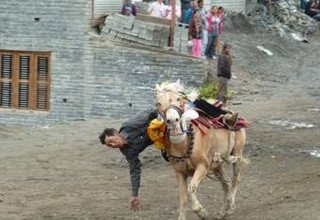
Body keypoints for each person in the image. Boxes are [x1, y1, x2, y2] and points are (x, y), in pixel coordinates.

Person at [99, 109, 159, 211]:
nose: (113, 145)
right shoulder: (127, 151)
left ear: (115, 133)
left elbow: (150, 113)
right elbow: (134, 169)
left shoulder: (130, 125)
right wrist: (134, 195)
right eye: (110, 145)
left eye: (111, 141)